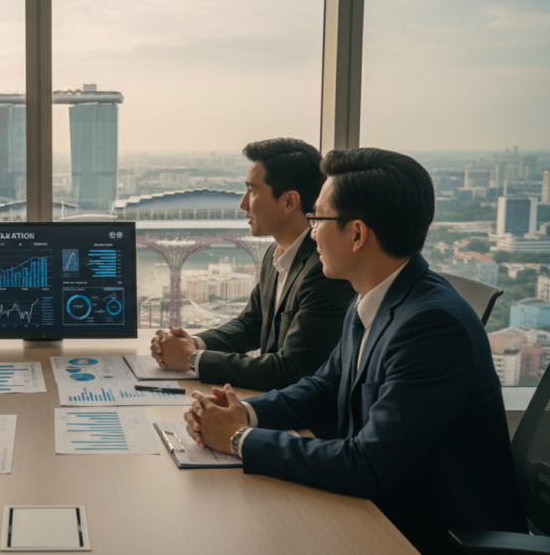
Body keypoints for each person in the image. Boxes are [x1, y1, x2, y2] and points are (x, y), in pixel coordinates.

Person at [183, 148, 526, 555]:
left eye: (318, 220)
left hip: (428, 535)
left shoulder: (432, 327)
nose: (311, 233)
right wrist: (248, 413)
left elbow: (369, 465)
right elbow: (323, 388)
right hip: (379, 511)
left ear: (357, 234)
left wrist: (240, 439)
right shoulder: (374, 296)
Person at [150, 138, 355, 391]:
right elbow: (251, 324)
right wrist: (193, 342)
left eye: (253, 191)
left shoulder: (324, 270)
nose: (243, 204)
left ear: (289, 201)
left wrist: (192, 359)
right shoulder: (275, 254)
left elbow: (290, 369)